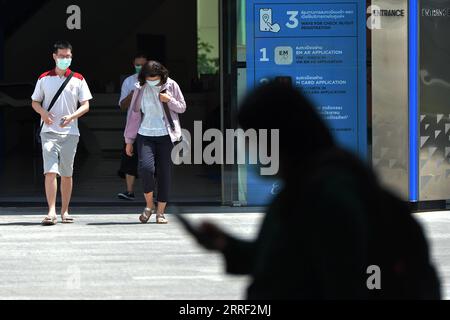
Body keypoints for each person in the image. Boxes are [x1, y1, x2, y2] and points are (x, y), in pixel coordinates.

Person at [185, 82, 441, 300]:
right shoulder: (302, 188)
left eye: (255, 139)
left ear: (283, 138)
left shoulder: (329, 195)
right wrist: (227, 245)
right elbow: (285, 258)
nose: (252, 150)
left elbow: (340, 283)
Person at [31, 41, 93, 226]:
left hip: (70, 133)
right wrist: (43, 113)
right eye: (62, 56)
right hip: (48, 131)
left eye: (68, 56)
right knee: (50, 171)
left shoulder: (78, 79)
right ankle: (51, 211)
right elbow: (35, 102)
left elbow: (86, 105)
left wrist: (72, 116)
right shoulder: (43, 78)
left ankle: (65, 210)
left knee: (66, 173)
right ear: (54, 56)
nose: (65, 59)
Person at [124, 61, 186, 224]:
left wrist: (169, 100)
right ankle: (149, 205)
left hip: (166, 135)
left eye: (155, 78)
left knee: (164, 173)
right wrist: (129, 140)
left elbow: (182, 107)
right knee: (145, 169)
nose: (152, 81)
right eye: (149, 78)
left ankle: (160, 212)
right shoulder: (139, 88)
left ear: (162, 75)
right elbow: (134, 114)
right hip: (144, 134)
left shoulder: (171, 85)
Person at [117, 53, 148, 200]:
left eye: (143, 65)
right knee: (129, 159)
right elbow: (122, 105)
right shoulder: (129, 82)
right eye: (137, 65)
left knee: (151, 161)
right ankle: (129, 191)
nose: (140, 67)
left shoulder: (155, 81)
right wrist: (132, 94)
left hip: (151, 126)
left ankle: (153, 193)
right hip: (133, 127)